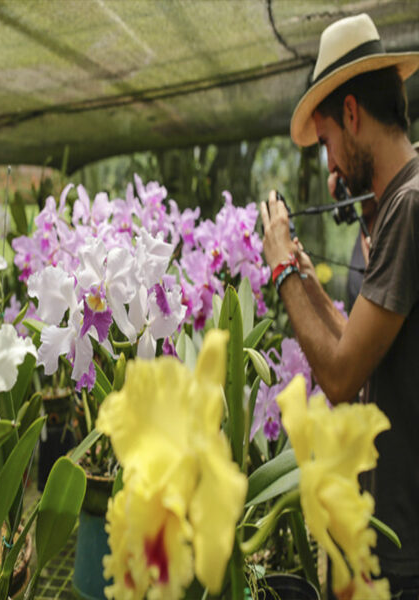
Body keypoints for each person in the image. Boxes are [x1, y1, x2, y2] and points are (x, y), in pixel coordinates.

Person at [260, 13, 419, 599]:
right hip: (388, 539)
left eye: (327, 142)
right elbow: (360, 345)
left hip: (405, 552)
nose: (330, 166)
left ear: (351, 114)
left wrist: (280, 269)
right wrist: (304, 274)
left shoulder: (409, 208)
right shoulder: (397, 205)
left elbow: (342, 375)